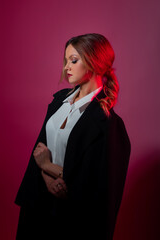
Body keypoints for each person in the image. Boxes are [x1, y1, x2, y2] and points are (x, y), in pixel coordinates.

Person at [15, 33, 131, 240]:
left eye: (74, 60)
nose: (66, 67)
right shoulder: (58, 102)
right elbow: (40, 152)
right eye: (66, 60)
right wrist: (46, 176)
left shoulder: (109, 125)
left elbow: (95, 187)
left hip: (71, 219)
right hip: (37, 207)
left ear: (94, 62)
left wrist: (47, 166)